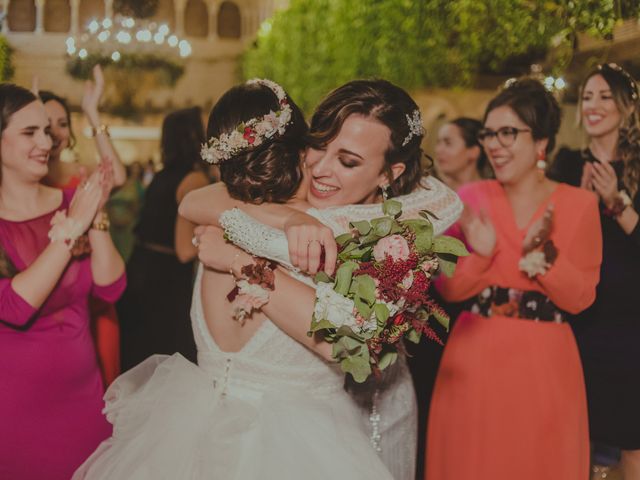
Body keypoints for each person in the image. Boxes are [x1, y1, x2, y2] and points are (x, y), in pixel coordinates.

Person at [73, 79, 462, 479]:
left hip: (332, 428)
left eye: (348, 161)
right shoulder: (267, 211)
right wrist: (293, 218)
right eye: (318, 145)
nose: (321, 168)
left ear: (389, 172)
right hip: (254, 435)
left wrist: (240, 259)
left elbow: (342, 342)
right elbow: (195, 200)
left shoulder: (396, 241)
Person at [425, 79, 602, 480]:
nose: (495, 144)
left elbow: (582, 298)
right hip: (474, 359)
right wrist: (483, 254)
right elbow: (449, 289)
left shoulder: (579, 204)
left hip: (545, 363)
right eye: (489, 133)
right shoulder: (470, 197)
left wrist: (544, 257)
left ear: (540, 142)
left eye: (508, 133)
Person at [0, 83, 126, 480]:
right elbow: (14, 307)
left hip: (85, 401)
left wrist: (95, 215)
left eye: (48, 131)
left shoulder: (69, 201)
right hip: (16, 413)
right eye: (29, 132)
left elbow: (111, 288)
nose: (47, 141)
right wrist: (72, 230)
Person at [548, 63, 640, 479]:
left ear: (627, 106)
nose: (593, 105)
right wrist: (581, 205)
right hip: (577, 316)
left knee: (631, 437)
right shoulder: (566, 166)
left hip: (630, 324)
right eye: (587, 96)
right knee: (574, 433)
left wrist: (616, 202)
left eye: (605, 96)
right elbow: (549, 244)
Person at [40, 65, 126, 386]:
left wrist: (92, 112)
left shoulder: (78, 172)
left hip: (92, 296)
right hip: (43, 301)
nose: (55, 133)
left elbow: (116, 176)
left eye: (62, 124)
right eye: (44, 125)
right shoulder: (21, 184)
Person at [117, 107, 209, 370]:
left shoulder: (161, 175)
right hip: (165, 280)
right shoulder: (194, 178)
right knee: (167, 361)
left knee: (137, 355)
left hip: (139, 267)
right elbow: (184, 250)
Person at [434, 117, 492, 191]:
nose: (438, 150)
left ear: (474, 152)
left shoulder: (493, 193)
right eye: (438, 143)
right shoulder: (433, 192)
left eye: (448, 143)